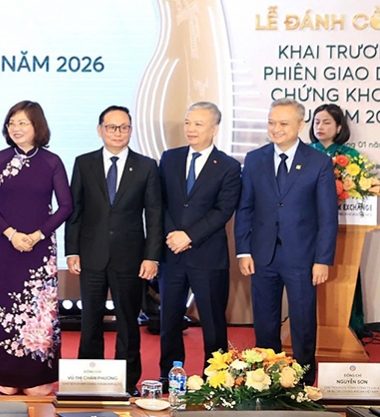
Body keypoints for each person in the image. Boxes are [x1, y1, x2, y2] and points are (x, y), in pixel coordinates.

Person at [236, 98, 337, 379]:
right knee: (265, 323)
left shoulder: (319, 162)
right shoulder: (255, 159)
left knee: (303, 323)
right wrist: (243, 250)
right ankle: (265, 382)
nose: (275, 129)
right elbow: (245, 208)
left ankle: (304, 383)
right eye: (271, 122)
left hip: (303, 258)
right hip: (262, 256)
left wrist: (322, 260)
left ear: (300, 125)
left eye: (283, 123)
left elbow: (328, 217)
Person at [65, 105, 162, 395]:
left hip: (130, 258)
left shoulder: (146, 166)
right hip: (91, 255)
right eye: (111, 127)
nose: (118, 133)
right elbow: (76, 210)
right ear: (100, 130)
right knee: (90, 319)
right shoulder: (84, 163)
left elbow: (154, 214)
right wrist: (72, 251)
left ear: (131, 131)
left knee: (128, 322)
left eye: (124, 127)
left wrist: (152, 255)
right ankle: (87, 380)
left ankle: (127, 381)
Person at [0, 101, 73, 396]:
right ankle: (3, 373)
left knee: (39, 311)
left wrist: (37, 235)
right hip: (6, 245)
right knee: (5, 307)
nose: (16, 128)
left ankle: (38, 374)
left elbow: (66, 205)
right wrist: (11, 233)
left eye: (23, 123)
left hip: (40, 248)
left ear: (37, 127)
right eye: (12, 123)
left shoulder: (52, 161)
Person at [156, 102, 241, 383]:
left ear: (214, 129)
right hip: (172, 254)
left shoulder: (228, 166)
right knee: (169, 321)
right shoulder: (169, 158)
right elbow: (161, 203)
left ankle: (215, 379)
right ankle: (171, 377)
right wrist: (173, 236)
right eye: (188, 123)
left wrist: (189, 236)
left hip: (208, 255)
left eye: (198, 124)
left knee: (213, 323)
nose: (190, 129)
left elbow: (223, 210)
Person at [309, 102, 367, 337]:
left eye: (326, 122)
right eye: (316, 122)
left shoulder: (350, 157)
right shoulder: (305, 152)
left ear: (339, 126)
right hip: (308, 227)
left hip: (343, 226)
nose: (320, 126)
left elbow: (361, 189)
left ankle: (348, 329)